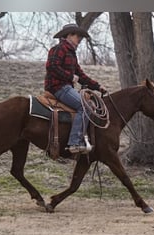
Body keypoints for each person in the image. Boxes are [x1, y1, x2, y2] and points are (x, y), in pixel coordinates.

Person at [44, 23, 107, 154]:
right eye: (77, 36)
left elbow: (81, 75)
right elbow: (52, 66)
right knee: (84, 106)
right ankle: (74, 142)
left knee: (85, 105)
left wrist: (98, 86)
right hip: (58, 87)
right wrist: (70, 77)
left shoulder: (72, 54)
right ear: (69, 35)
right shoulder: (59, 48)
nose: (79, 39)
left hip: (65, 87)